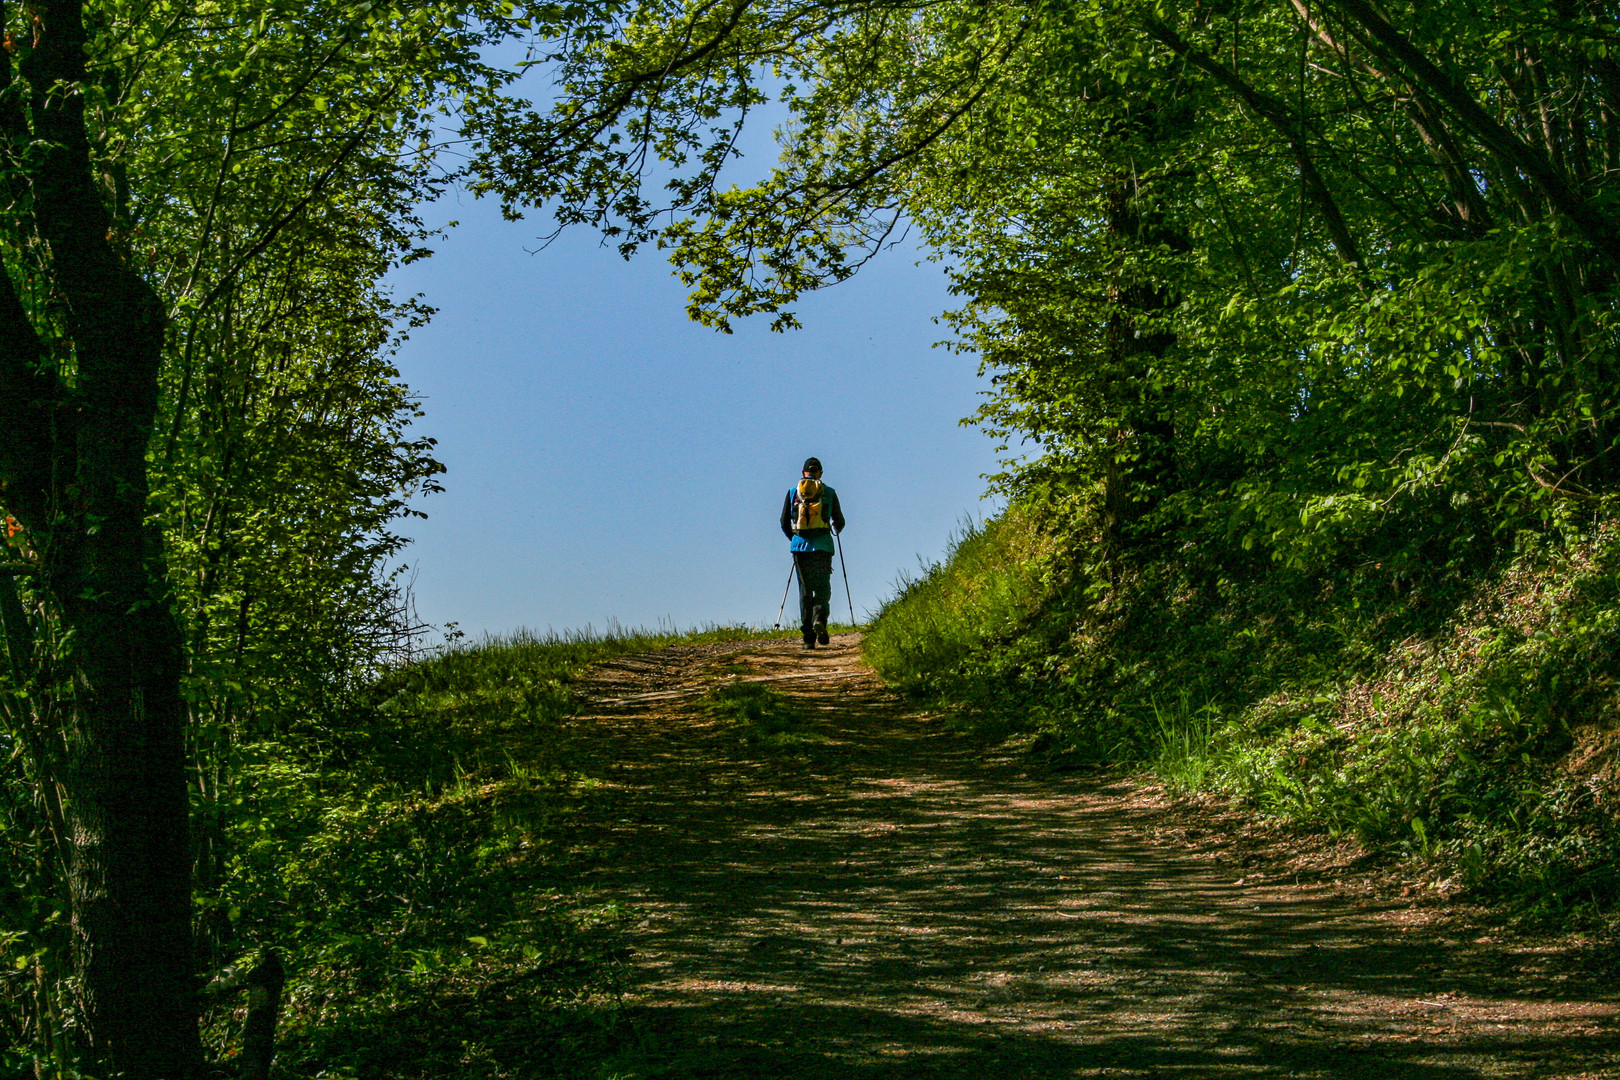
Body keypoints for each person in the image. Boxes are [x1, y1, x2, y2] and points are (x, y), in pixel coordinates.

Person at [780, 457, 845, 649]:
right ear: (821, 473)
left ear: (803, 473)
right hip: (823, 547)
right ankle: (820, 619)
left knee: (805, 591)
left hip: (800, 548)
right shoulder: (830, 493)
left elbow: (784, 522)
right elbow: (840, 521)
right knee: (823, 587)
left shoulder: (793, 493)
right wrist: (834, 527)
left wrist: (795, 539)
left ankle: (808, 638)